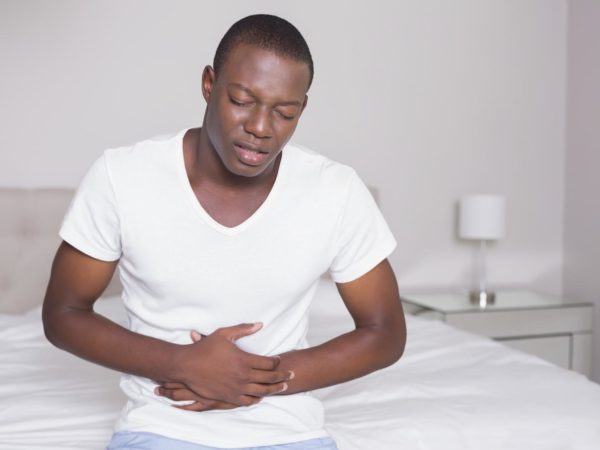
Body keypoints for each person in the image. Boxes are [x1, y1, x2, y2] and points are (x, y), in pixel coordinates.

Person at [42, 13, 406, 450]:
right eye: (241, 100)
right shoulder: (123, 176)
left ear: (302, 109)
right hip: (161, 426)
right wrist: (183, 364)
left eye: (284, 112)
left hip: (289, 431)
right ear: (209, 84)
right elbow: (63, 314)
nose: (260, 127)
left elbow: (385, 331)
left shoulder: (335, 190)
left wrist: (258, 380)